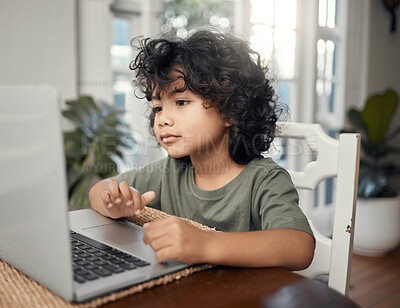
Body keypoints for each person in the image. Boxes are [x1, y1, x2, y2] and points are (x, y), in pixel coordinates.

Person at [89, 29, 314, 270]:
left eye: (181, 102)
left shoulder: (264, 180)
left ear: (230, 110)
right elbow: (97, 190)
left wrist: (204, 244)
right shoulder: (168, 172)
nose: (162, 119)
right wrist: (115, 204)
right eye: (158, 108)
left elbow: (299, 247)